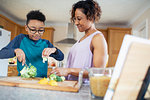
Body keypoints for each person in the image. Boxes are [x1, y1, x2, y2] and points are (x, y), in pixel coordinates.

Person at [51, 0, 108, 81]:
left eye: (79, 19)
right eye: (75, 19)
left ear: (91, 17)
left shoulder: (97, 38)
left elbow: (98, 71)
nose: (76, 23)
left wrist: (68, 71)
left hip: (84, 89)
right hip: (72, 86)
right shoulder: (82, 40)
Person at [0, 10, 64, 78]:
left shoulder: (46, 43)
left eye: (41, 30)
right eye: (33, 30)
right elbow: (1, 53)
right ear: (26, 28)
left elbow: (61, 57)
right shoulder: (20, 39)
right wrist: (15, 50)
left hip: (41, 80)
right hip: (23, 79)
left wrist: (55, 50)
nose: (37, 33)